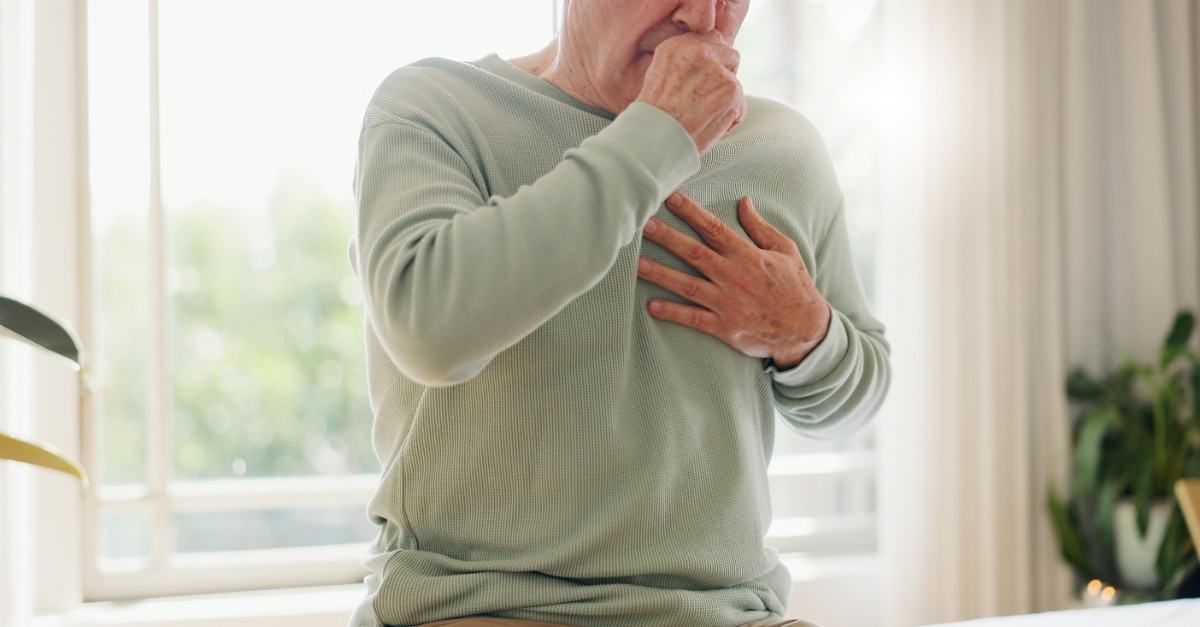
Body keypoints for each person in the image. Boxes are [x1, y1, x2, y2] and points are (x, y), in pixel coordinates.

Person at [346, 0, 891, 625]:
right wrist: (658, 133)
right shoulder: (434, 106)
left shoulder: (784, 149)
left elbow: (863, 391)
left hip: (727, 613)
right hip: (475, 609)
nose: (703, 17)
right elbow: (429, 331)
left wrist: (807, 333)